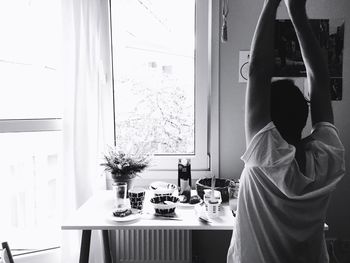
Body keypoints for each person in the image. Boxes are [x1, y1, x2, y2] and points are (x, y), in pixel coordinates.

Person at [227, 0, 345, 262]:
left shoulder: (265, 156)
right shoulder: (328, 159)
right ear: (304, 117)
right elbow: (322, 81)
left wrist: (273, 4)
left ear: (267, 121)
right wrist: (297, 14)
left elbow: (258, 71)